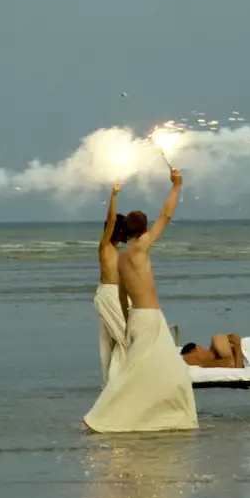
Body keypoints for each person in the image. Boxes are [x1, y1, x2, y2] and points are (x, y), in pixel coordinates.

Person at [84, 168, 199, 433]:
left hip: (137, 317)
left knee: (146, 368)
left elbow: (123, 296)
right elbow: (166, 215)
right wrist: (176, 186)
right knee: (164, 373)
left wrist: (127, 322)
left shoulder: (122, 259)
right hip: (148, 317)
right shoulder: (139, 248)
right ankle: (102, 417)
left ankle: (159, 418)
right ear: (143, 230)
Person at [95, 183, 129, 385]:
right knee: (123, 338)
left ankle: (113, 382)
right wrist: (113, 196)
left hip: (116, 294)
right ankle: (116, 382)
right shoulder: (105, 246)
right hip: (107, 294)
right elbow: (112, 220)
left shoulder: (117, 252)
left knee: (116, 340)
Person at [181, 334, 245, 369]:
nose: (197, 363)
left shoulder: (216, 341)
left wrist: (204, 364)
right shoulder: (211, 363)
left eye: (196, 358)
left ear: (198, 348)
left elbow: (231, 364)